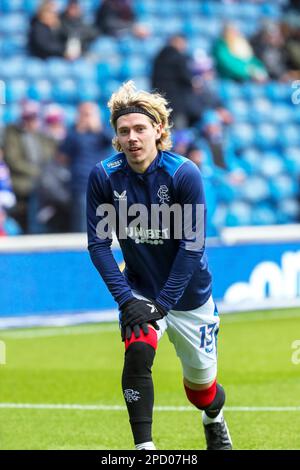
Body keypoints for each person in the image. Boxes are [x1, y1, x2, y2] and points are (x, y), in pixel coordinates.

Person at [86, 81, 232, 450]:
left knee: (202, 390)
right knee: (137, 351)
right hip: (138, 288)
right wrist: (127, 300)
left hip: (188, 295)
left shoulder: (184, 174)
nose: (132, 137)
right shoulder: (104, 176)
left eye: (140, 129)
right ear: (116, 137)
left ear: (158, 130)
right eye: (124, 131)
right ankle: (144, 450)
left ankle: (213, 416)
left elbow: (192, 246)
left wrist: (164, 304)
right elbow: (99, 245)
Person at [60, 102, 111, 232]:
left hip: (103, 183)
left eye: (90, 114)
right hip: (82, 184)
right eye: (84, 114)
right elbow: (62, 155)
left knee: (105, 223)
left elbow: (113, 142)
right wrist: (79, 130)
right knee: (83, 224)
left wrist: (97, 127)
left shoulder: (103, 130)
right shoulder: (73, 132)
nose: (87, 118)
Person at [152, 34, 202, 128]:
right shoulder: (178, 58)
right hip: (177, 104)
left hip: (160, 101)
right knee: (179, 133)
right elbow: (187, 78)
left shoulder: (158, 57)